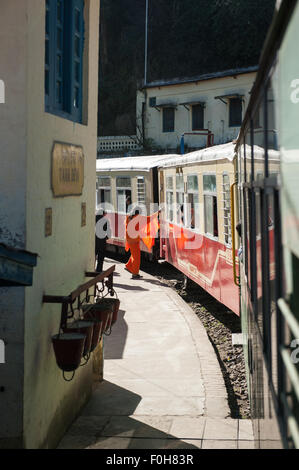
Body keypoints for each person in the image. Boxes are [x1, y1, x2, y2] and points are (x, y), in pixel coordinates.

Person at [125, 208, 142, 279]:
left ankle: (128, 265)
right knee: (137, 257)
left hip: (129, 240)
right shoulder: (137, 219)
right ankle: (135, 274)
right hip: (134, 240)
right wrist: (156, 214)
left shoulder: (128, 218)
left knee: (134, 254)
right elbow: (147, 220)